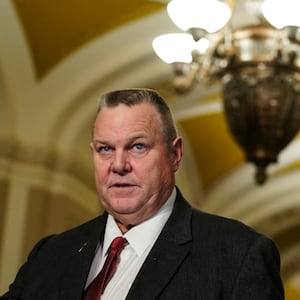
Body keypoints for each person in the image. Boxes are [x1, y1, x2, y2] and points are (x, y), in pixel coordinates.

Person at [1, 88, 284, 299]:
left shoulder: (239, 255)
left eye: (137, 147)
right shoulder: (50, 254)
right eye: (105, 149)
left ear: (175, 154)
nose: (119, 165)